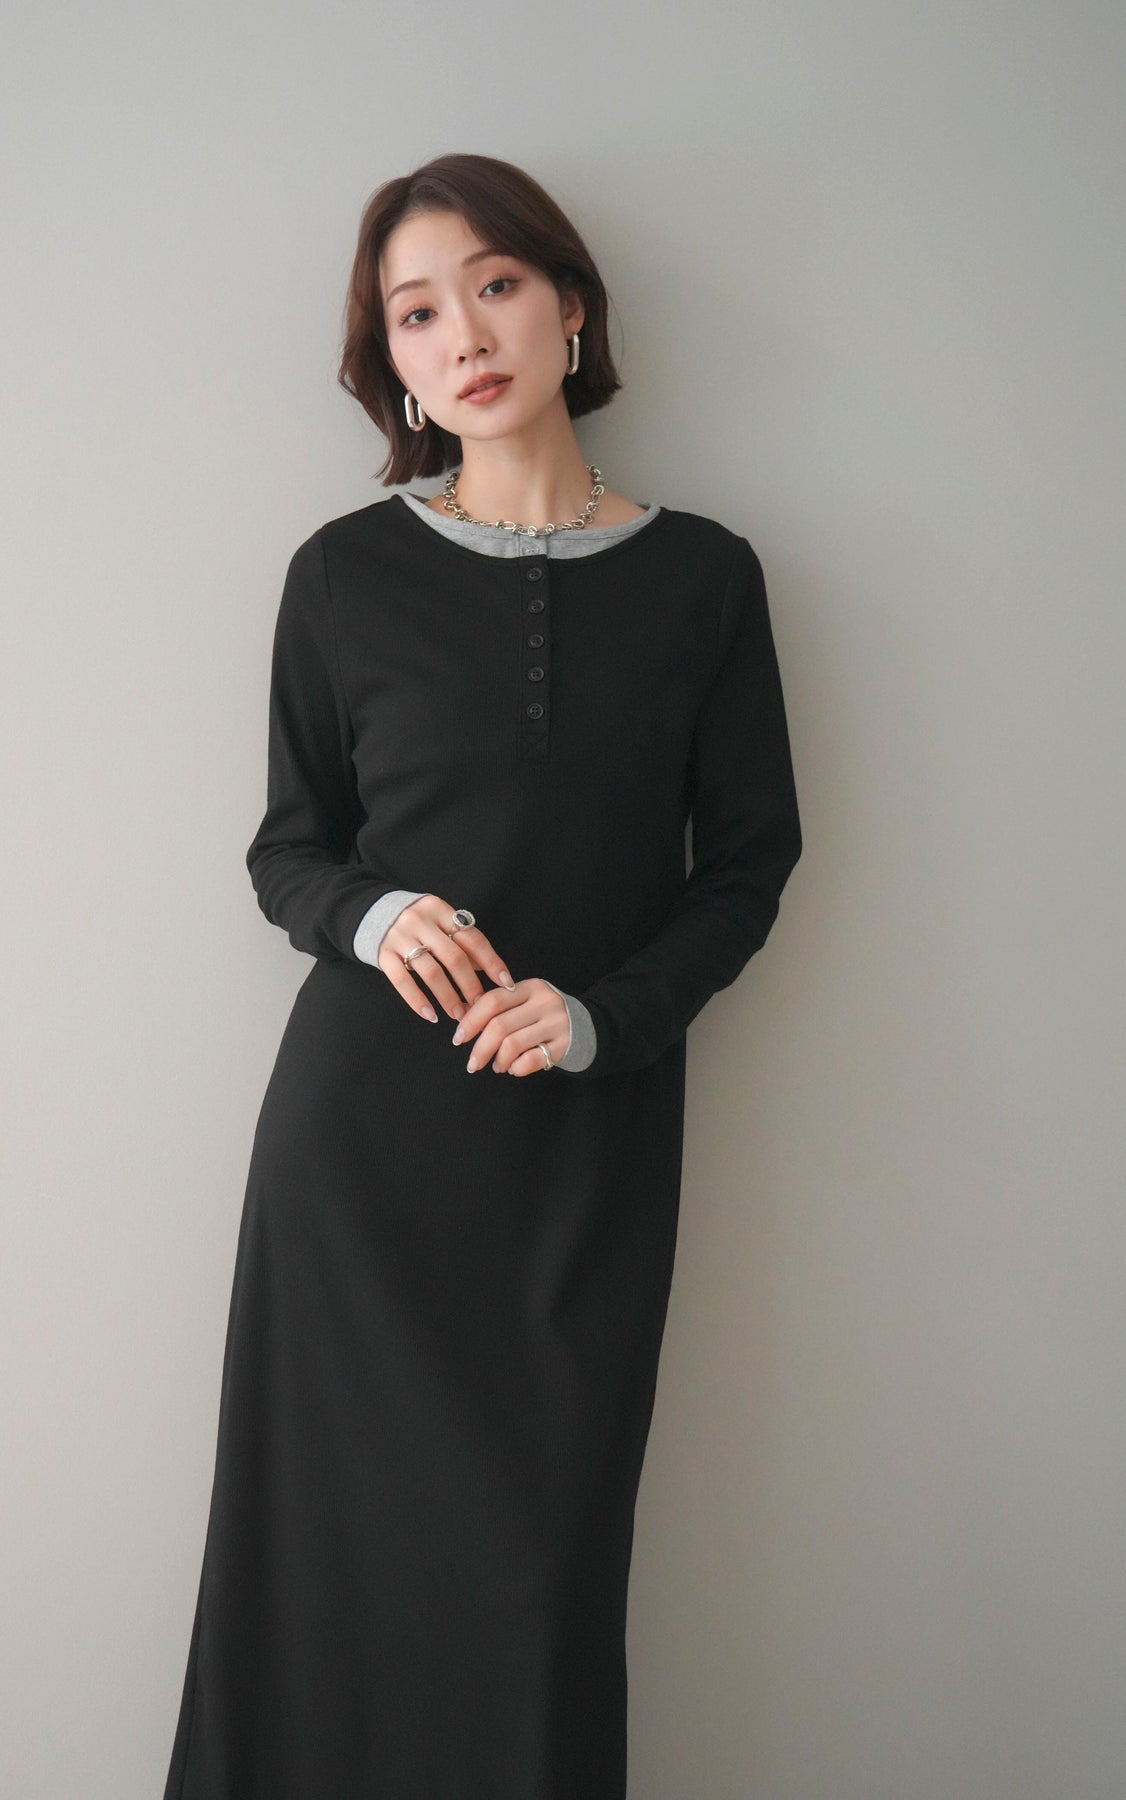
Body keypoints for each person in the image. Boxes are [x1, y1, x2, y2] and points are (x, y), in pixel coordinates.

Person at [163, 151, 802, 1799]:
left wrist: (601, 1018)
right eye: (415, 312)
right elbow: (287, 850)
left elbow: (748, 865)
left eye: (496, 285)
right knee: (317, 1575)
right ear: (388, 360)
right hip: (358, 1159)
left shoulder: (705, 579)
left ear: (569, 305)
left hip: (584, 1145)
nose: (463, 334)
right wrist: (374, 919)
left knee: (539, 1589)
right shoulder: (341, 576)